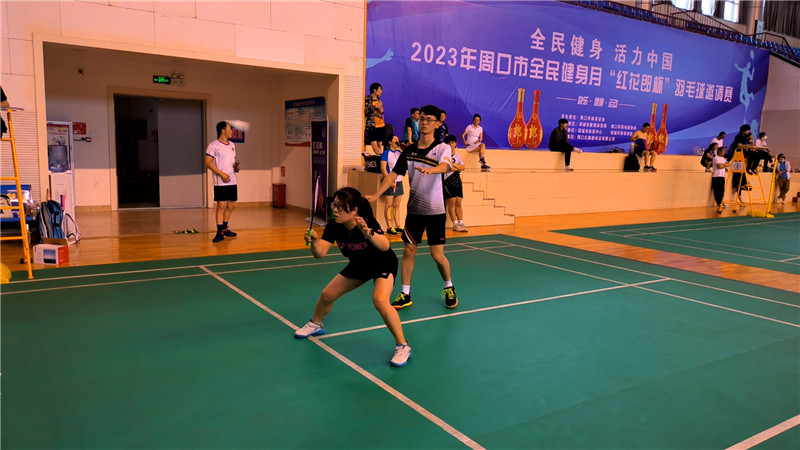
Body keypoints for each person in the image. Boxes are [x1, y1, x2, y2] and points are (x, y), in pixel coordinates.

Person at [295, 187, 411, 367]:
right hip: (359, 265)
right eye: (334, 205)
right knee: (327, 294)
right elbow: (320, 254)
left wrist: (368, 232)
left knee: (380, 300)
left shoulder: (366, 222)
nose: (335, 210)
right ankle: (316, 324)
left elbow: (385, 246)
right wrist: (315, 242)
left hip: (382, 263)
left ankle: (403, 346)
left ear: (355, 210)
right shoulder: (334, 226)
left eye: (341, 207)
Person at [366, 104, 459, 310]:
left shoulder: (441, 148)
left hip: (436, 211)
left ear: (437, 124)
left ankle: (448, 286)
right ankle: (405, 293)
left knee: (437, 255)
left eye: (429, 119)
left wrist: (433, 170)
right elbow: (392, 175)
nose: (424, 122)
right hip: (415, 211)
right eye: (422, 119)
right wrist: (376, 194)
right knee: (408, 251)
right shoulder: (409, 151)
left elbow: (446, 165)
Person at [205, 121, 239, 243]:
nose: (232, 131)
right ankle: (219, 233)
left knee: (232, 205)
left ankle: (225, 229)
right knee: (221, 205)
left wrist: (237, 167)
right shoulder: (213, 145)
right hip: (220, 180)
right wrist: (221, 174)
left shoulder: (232, 145)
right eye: (230, 129)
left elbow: (232, 161)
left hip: (232, 180)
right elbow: (207, 162)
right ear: (223, 131)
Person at [380, 134, 404, 235]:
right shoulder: (386, 153)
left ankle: (398, 226)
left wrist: (402, 147)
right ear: (390, 142)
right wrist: (388, 181)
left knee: (396, 205)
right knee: (389, 205)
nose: (397, 140)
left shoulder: (399, 153)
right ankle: (389, 227)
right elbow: (383, 169)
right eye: (395, 139)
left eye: (398, 139)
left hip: (399, 180)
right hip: (390, 181)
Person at [443, 135, 467, 232]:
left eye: (453, 142)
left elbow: (463, 167)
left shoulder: (458, 156)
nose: (451, 145)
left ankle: (461, 222)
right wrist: (456, 167)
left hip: (457, 180)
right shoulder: (444, 156)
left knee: (459, 201)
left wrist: (455, 165)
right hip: (448, 181)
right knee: (452, 202)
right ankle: (455, 224)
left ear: (455, 144)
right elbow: (445, 168)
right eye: (449, 143)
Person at [728, 124, 752, 197]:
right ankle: (738, 185)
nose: (748, 132)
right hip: (738, 154)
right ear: (743, 130)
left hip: (743, 154)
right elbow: (739, 145)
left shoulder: (746, 137)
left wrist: (750, 143)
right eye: (747, 130)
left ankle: (750, 169)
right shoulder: (739, 136)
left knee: (754, 155)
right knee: (738, 170)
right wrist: (748, 146)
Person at [364, 83, 386, 155]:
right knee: (375, 148)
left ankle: (380, 159)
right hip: (372, 125)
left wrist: (381, 111)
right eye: (380, 89)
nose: (381, 91)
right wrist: (376, 107)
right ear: (375, 90)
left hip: (381, 125)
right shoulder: (367, 99)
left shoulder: (379, 100)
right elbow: (366, 111)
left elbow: (379, 112)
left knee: (380, 147)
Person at [712, 146, 730, 213]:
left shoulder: (723, 158)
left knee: (722, 190)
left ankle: (722, 202)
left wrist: (723, 165)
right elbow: (719, 166)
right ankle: (718, 203)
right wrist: (724, 165)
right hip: (717, 176)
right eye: (723, 151)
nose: (724, 152)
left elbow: (728, 164)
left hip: (722, 176)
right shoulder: (716, 158)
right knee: (717, 190)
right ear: (719, 151)